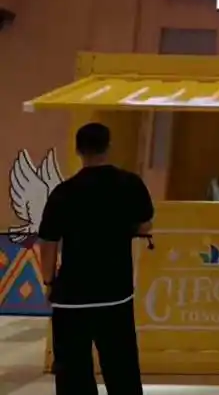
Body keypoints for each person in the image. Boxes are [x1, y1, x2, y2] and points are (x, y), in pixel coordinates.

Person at [38, 122, 154, 395]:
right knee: (121, 365)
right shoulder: (130, 184)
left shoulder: (64, 192)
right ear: (108, 147)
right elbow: (145, 224)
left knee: (72, 370)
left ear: (78, 150)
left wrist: (49, 281)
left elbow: (48, 241)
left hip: (72, 297)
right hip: (115, 293)